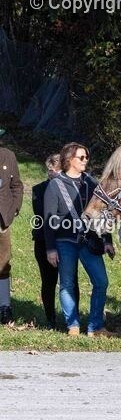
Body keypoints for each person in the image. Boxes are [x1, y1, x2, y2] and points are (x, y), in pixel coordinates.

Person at [43, 142, 114, 336]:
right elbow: (48, 220)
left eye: (86, 157)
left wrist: (108, 240)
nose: (85, 160)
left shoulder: (92, 183)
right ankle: (72, 325)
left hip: (90, 241)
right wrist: (50, 249)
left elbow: (103, 214)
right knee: (67, 284)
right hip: (65, 242)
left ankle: (95, 327)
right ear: (69, 160)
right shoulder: (54, 185)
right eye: (81, 157)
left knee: (101, 282)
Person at [32, 154, 78, 329]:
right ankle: (50, 318)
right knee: (49, 281)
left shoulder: (73, 187)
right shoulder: (39, 190)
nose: (53, 174)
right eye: (51, 171)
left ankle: (73, 319)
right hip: (45, 240)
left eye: (57, 171)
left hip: (68, 240)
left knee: (71, 280)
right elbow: (45, 216)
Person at [0, 129, 24, 324]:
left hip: (2, 219)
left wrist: (13, 209)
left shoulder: (8, 156)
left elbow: (16, 185)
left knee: (3, 264)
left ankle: (5, 306)